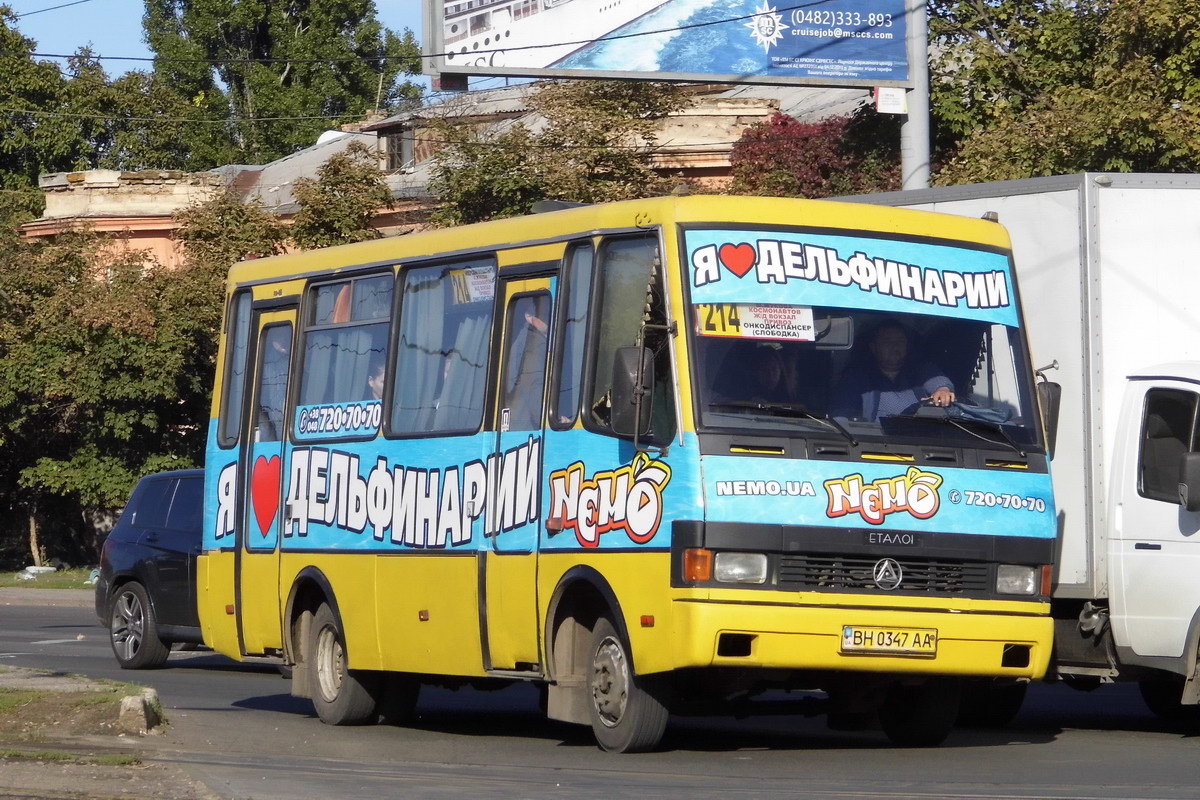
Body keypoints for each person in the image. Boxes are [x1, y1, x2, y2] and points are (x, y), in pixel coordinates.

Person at [832, 320, 955, 421]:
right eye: (887, 342)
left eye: (900, 341)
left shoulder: (919, 370)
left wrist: (942, 390)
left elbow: (937, 380)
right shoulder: (856, 378)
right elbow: (841, 416)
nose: (895, 346)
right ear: (873, 347)